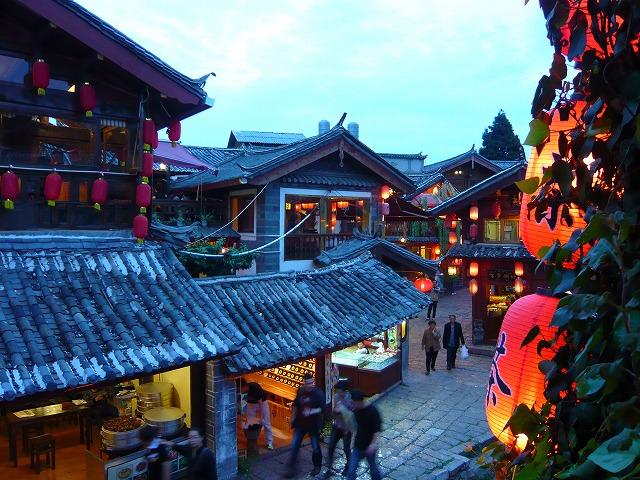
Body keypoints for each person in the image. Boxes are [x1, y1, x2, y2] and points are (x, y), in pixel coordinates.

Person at [285, 373, 325, 478]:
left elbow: (322, 408)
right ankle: (291, 469)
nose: (310, 385)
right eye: (308, 383)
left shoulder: (318, 394)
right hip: (300, 424)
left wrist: (311, 411)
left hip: (313, 425)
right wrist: (292, 417)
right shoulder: (300, 391)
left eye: (312, 383)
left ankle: (317, 466)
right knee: (294, 446)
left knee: (315, 447)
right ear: (304, 383)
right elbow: (295, 405)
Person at [346, 390, 382, 480]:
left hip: (369, 446)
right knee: (351, 471)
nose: (352, 405)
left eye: (354, 403)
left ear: (359, 402)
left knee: (373, 470)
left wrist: (373, 445)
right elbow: (355, 426)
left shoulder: (373, 411)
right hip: (358, 445)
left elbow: (377, 431)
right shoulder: (356, 409)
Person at [324, 380, 356, 479]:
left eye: (340, 391)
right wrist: (335, 412)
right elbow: (334, 413)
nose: (338, 393)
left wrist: (341, 410)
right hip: (337, 426)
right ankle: (329, 468)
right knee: (331, 447)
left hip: (347, 429)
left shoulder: (350, 400)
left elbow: (351, 416)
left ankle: (349, 467)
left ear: (345, 391)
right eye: (337, 391)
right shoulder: (336, 397)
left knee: (346, 448)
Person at [242, 382, 274, 450]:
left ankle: (269, 443)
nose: (240, 391)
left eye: (241, 389)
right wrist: (245, 414)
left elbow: (260, 403)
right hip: (251, 404)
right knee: (249, 422)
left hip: (262, 403)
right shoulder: (242, 391)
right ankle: (251, 441)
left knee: (266, 423)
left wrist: (261, 416)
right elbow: (243, 402)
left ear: (245, 386)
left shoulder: (254, 387)